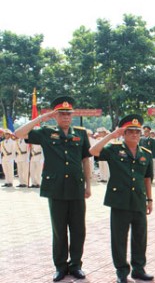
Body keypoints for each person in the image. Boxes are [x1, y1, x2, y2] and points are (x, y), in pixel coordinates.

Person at [14, 96, 91, 282]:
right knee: (59, 230)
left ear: (72, 116)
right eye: (61, 114)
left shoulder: (80, 133)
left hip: (76, 187)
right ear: (55, 116)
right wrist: (42, 118)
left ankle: (76, 265)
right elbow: (18, 133)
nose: (65, 117)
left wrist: (88, 185)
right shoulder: (46, 132)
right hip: (55, 187)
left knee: (79, 229)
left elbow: (85, 160)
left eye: (68, 114)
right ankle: (60, 266)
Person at [89, 114, 154, 283]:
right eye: (130, 131)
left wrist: (150, 199)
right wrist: (111, 135)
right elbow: (93, 151)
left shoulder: (146, 154)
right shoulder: (114, 149)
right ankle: (121, 271)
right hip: (119, 201)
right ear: (123, 134)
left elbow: (147, 178)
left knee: (140, 237)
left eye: (137, 132)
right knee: (119, 237)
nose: (134, 135)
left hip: (139, 200)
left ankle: (139, 269)